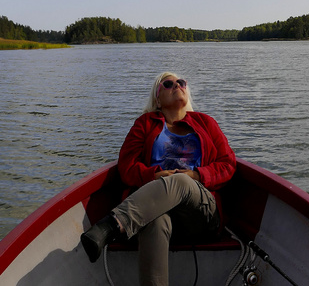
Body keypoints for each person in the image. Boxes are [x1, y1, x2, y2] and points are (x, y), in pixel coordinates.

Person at [80, 72, 238, 285]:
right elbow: (126, 166)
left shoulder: (206, 122)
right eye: (168, 83)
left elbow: (228, 164)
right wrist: (152, 175)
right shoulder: (144, 124)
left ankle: (111, 226)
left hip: (199, 212)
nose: (177, 86)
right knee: (155, 220)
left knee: (181, 181)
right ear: (157, 98)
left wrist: (197, 175)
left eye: (181, 83)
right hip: (153, 209)